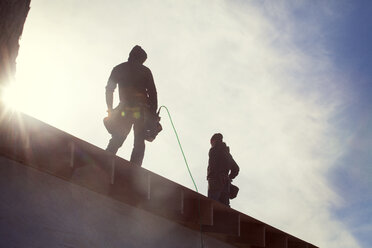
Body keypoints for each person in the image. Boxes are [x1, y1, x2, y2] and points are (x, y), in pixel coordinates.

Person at [105, 45, 157, 166]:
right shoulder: (145, 71)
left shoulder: (119, 68)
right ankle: (135, 168)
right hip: (142, 109)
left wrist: (110, 109)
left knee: (118, 137)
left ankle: (105, 159)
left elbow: (109, 90)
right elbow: (153, 93)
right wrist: (153, 115)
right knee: (139, 141)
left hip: (125, 109)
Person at [207, 133, 239, 206]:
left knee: (212, 205)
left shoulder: (213, 150)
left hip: (215, 181)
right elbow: (236, 169)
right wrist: (228, 177)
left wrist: (213, 177)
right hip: (225, 183)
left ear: (214, 141)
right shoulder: (226, 153)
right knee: (224, 209)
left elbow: (213, 167)